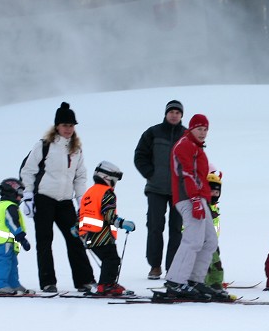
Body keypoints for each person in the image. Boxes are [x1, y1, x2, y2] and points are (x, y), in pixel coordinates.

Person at [19, 101, 95, 293]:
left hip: (65, 201)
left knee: (75, 239)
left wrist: (81, 201)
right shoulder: (44, 146)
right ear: (57, 126)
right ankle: (48, 282)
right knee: (45, 241)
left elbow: (80, 176)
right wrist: (28, 195)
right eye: (64, 125)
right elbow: (28, 170)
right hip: (44, 198)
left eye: (71, 125)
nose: (68, 129)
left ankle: (84, 280)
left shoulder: (76, 149)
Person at [164, 113, 227, 300]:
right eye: (199, 129)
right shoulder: (185, 145)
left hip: (200, 199)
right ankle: (175, 281)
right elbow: (187, 174)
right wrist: (194, 199)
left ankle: (194, 280)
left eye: (205, 129)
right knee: (193, 240)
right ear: (191, 129)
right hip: (188, 198)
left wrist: (201, 199)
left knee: (210, 241)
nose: (203, 133)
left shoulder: (198, 149)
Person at [134, 99, 186, 280]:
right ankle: (154, 266)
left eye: (177, 112)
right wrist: (150, 173)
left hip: (179, 191)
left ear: (181, 115)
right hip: (156, 188)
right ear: (166, 114)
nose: (174, 115)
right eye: (171, 112)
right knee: (155, 227)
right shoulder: (153, 132)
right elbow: (140, 155)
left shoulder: (187, 135)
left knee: (176, 229)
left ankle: (173, 267)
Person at [76, 161, 136, 296]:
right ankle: (106, 285)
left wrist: (76, 227)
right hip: (101, 235)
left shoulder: (89, 192)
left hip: (87, 235)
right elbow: (108, 214)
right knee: (112, 259)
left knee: (108, 259)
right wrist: (122, 223)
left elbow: (81, 212)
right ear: (107, 177)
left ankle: (106, 284)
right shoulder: (106, 193)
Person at [0, 179, 33, 295]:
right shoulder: (9, 206)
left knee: (12, 263)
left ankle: (13, 284)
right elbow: (12, 222)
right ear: (11, 192)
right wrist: (21, 238)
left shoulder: (1, 206)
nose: (21, 197)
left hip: (5, 241)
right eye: (19, 193)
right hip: (3, 241)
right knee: (4, 262)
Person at [204, 169, 226, 290]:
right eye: (211, 191)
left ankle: (215, 285)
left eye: (217, 192)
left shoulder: (214, 207)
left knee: (217, 266)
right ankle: (204, 284)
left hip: (213, 242)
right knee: (206, 265)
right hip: (203, 242)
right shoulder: (203, 206)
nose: (214, 194)